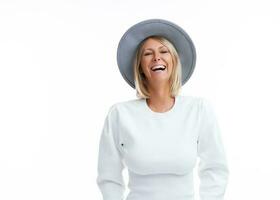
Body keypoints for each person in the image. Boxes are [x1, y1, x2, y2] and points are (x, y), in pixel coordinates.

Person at [96, 19, 229, 200]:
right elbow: (109, 177)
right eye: (148, 54)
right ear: (140, 68)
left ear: (174, 61)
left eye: (164, 51)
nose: (157, 57)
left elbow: (215, 168)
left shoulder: (198, 110)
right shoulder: (119, 114)